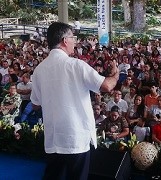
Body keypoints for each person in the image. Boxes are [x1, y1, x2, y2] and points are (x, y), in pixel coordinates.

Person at [30, 22, 119, 180]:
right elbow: (106, 85)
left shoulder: (39, 70)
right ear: (65, 40)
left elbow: (35, 104)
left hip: (53, 137)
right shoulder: (76, 65)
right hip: (75, 137)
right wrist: (116, 74)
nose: (75, 42)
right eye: (73, 37)